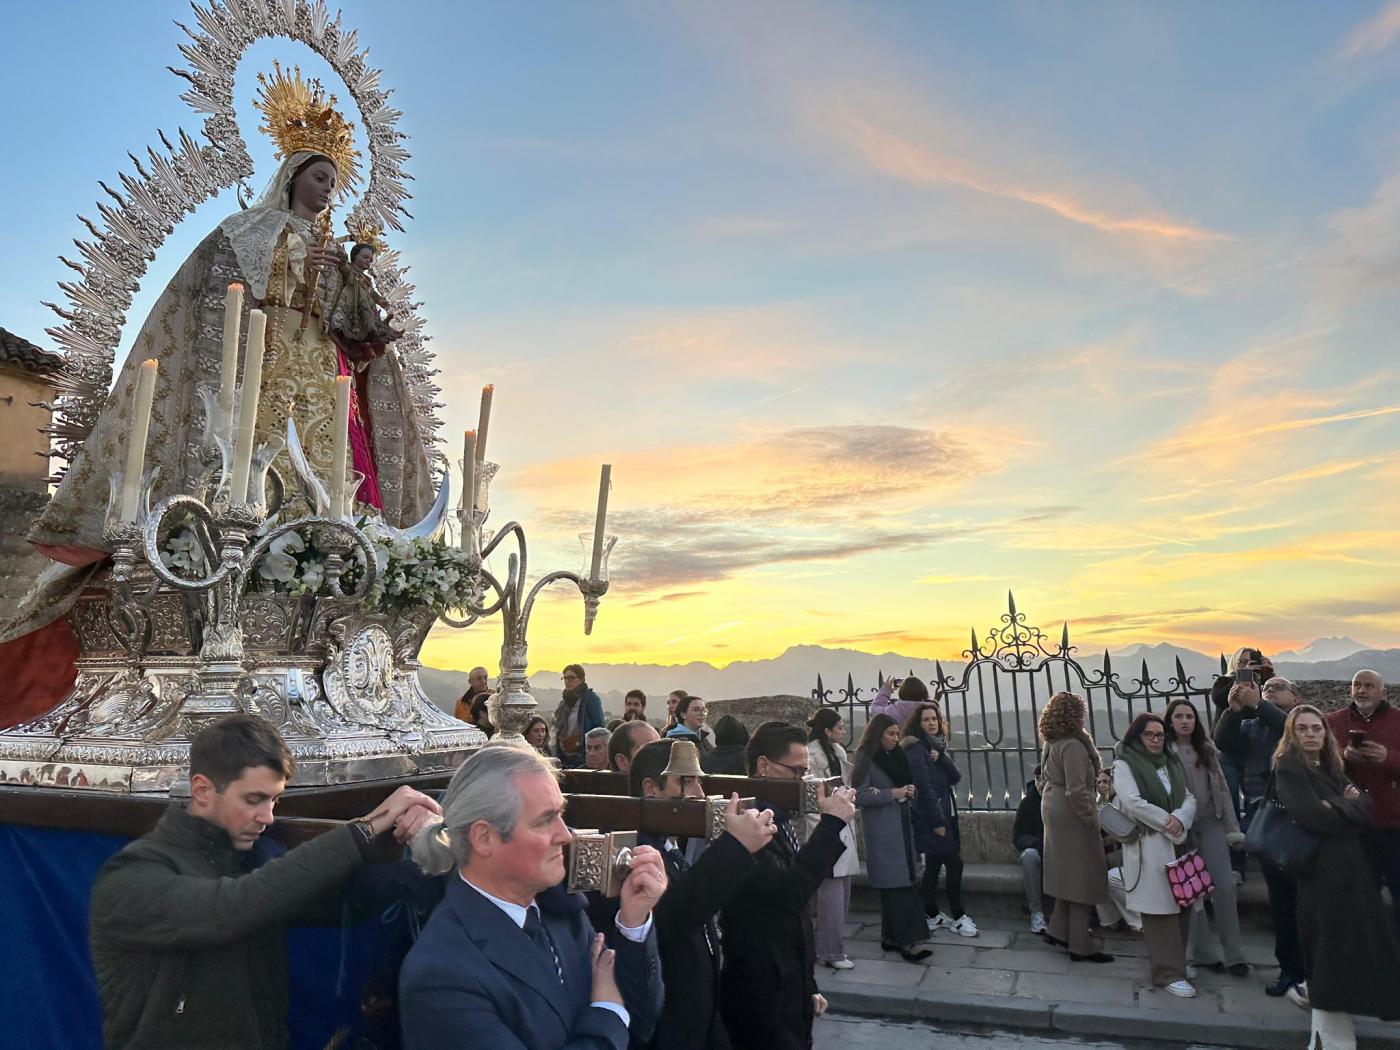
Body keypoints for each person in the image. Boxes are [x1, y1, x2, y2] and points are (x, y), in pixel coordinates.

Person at [89, 714, 442, 1050]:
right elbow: (232, 908)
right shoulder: (130, 878)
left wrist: (408, 845)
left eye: (274, 800)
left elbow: (338, 902)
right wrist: (366, 828)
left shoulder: (254, 859)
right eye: (254, 800)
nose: (268, 817)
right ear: (201, 790)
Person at [400, 744, 665, 1050]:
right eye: (544, 820)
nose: (565, 835)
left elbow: (639, 1021)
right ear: (484, 838)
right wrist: (607, 1015)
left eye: (561, 815)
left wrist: (634, 921)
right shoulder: (442, 974)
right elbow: (614, 1015)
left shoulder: (560, 911)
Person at [593, 739, 777, 1050]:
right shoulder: (628, 854)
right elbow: (671, 917)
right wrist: (735, 848)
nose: (699, 794)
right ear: (651, 788)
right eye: (686, 782)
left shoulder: (668, 845)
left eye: (698, 781)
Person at [720, 722, 856, 1050]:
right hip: (761, 989)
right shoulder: (748, 824)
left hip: (786, 985)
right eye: (796, 771)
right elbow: (789, 893)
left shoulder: (778, 819)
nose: (803, 781)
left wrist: (806, 986)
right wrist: (831, 825)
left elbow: (795, 920)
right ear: (764, 766)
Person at [1275, 704, 1400, 1049]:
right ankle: (1330, 1038)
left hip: (1351, 870)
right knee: (1328, 950)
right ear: (1292, 733)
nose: (1312, 734)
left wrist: (1341, 805)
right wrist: (1346, 804)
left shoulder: (1331, 765)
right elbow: (1313, 816)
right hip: (1321, 873)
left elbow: (1367, 808)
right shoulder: (1289, 768)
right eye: (1303, 729)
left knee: (1349, 949)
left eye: (1317, 728)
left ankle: (1326, 1033)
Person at [1216, 669, 1306, 1000]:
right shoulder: (1251, 726)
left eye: (1277, 687)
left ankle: (1313, 970)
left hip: (1298, 819)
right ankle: (1290, 971)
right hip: (1264, 816)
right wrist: (1233, 710)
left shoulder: (1303, 721)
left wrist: (1259, 704)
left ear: (1296, 697)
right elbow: (1223, 743)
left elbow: (1291, 731)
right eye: (1265, 688)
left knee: (1305, 900)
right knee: (1280, 900)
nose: (1268, 691)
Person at [1114, 711, 1197, 997]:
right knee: (1159, 910)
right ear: (1137, 736)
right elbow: (1133, 803)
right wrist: (1168, 822)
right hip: (1150, 844)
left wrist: (1181, 818)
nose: (1155, 740)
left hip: (1178, 841)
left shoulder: (1170, 763)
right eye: (1149, 734)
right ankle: (1167, 973)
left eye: (1160, 734)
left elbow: (1188, 796)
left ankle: (1178, 963)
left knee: (1182, 903)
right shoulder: (1125, 764)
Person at [1164, 698, 1248, 977]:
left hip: (1211, 822)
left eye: (1189, 716)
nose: (1185, 721)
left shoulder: (1207, 749)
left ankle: (1234, 954)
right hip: (1181, 828)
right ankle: (1202, 954)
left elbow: (1223, 790)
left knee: (1224, 887)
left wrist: (1232, 828)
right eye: (1179, 716)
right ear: (1171, 721)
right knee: (1193, 891)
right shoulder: (1165, 751)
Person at [851, 714, 932, 962]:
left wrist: (909, 792)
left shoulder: (896, 756)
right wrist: (893, 793)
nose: (896, 738)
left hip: (901, 827)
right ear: (878, 734)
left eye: (897, 734)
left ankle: (891, 938)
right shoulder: (866, 758)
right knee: (897, 886)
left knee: (900, 883)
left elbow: (906, 784)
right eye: (890, 734)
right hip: (883, 833)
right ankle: (909, 942)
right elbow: (860, 795)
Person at [1038, 691, 1112, 962]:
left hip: (1054, 807)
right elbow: (1077, 790)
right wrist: (1091, 820)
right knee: (1082, 875)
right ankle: (1081, 944)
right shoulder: (1073, 745)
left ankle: (1058, 929)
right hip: (1070, 814)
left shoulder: (1053, 741)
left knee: (1066, 872)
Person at [1327, 669, 1400, 940]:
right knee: (1357, 900)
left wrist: (1388, 758)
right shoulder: (1332, 722)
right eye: (1357, 684)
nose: (1362, 690)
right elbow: (1318, 768)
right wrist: (1343, 758)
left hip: (1393, 826)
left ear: (1383, 693)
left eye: (1369, 685)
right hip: (1352, 828)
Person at [899, 700, 978, 938]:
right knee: (954, 864)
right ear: (917, 723)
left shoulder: (935, 747)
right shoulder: (915, 749)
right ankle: (958, 916)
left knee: (933, 866)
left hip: (945, 813)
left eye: (934, 718)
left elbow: (955, 777)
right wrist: (938, 823)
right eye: (926, 719)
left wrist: (941, 756)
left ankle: (931, 914)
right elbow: (923, 789)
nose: (931, 723)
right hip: (933, 818)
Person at [806, 709, 860, 970]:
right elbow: (813, 799)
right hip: (826, 825)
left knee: (843, 889)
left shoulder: (837, 752)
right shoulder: (812, 755)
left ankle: (830, 947)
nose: (843, 731)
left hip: (841, 822)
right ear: (826, 731)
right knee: (831, 892)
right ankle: (830, 951)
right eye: (839, 727)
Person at [1012, 766, 1047, 934]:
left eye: (1044, 779)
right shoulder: (1027, 803)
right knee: (1029, 856)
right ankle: (1036, 912)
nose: (1041, 783)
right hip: (1037, 850)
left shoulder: (1060, 801)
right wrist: (1037, 844)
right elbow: (1018, 836)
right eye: (1038, 779)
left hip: (1059, 851)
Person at [555, 664, 605, 768]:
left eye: (571, 678)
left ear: (581, 679)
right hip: (564, 756)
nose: (567, 681)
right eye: (565, 678)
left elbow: (598, 727)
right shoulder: (563, 704)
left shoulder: (590, 699)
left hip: (583, 756)